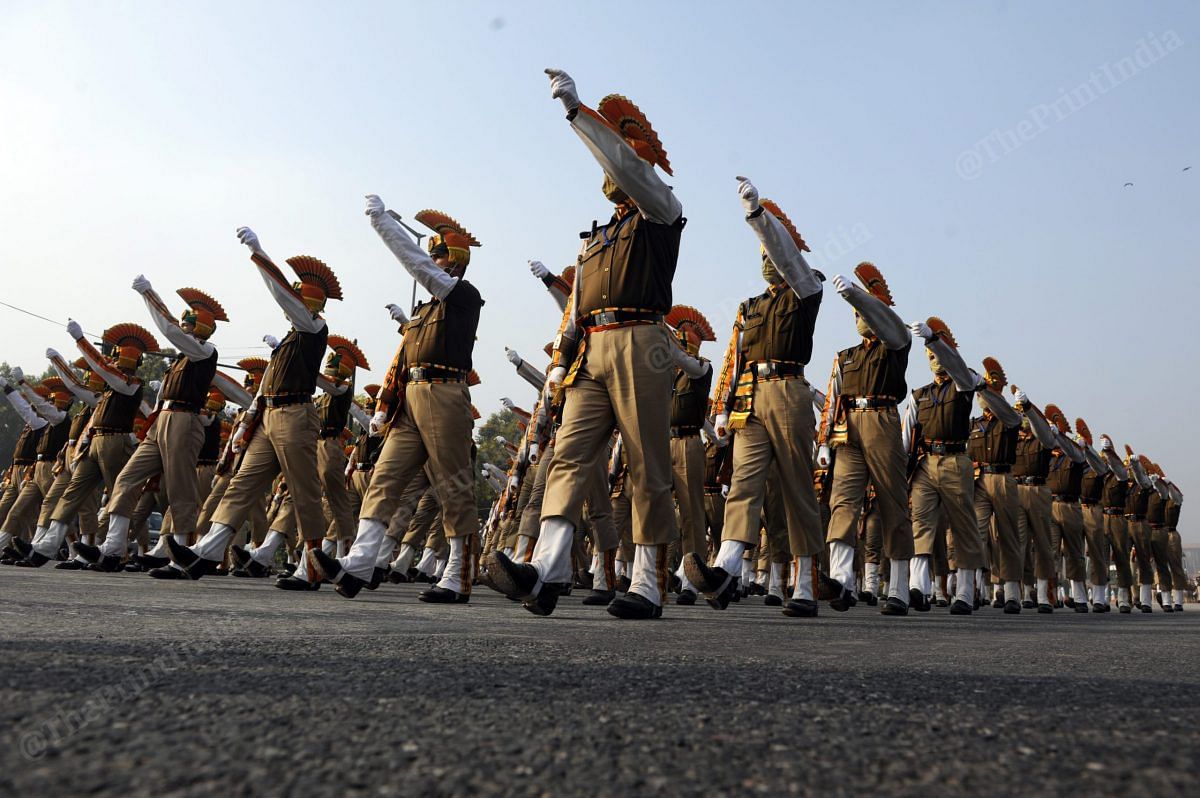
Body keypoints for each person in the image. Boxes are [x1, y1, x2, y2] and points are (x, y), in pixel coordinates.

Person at [486, 69, 687, 620]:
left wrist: (578, 115)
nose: (609, 169)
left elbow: (625, 165)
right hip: (590, 353)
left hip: (642, 341)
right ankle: (546, 571)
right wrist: (557, 360)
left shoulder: (660, 210)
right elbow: (575, 311)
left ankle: (647, 581)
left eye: (618, 158)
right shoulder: (594, 241)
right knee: (567, 459)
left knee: (647, 465)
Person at [311, 200, 483, 604]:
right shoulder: (423, 313)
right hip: (411, 400)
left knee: (453, 485)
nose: (431, 262)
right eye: (432, 256)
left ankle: (457, 574)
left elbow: (415, 264)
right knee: (384, 478)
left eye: (438, 257)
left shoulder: (465, 297)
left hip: (444, 394)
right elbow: (401, 360)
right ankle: (360, 561)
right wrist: (386, 405)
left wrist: (383, 224)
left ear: (453, 264)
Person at [161, 229, 335, 581]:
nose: (292, 304)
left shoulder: (315, 329)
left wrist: (260, 253)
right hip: (269, 416)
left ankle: (311, 567)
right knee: (242, 484)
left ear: (308, 306)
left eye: (299, 300)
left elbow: (285, 297)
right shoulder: (290, 340)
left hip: (295, 415)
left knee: (303, 492)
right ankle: (206, 553)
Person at [687, 182, 824, 618]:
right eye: (761, 255)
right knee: (743, 484)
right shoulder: (750, 307)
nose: (767, 261)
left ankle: (804, 583)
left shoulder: (807, 289)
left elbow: (787, 256)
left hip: (788, 391)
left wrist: (758, 217)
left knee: (797, 489)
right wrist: (723, 407)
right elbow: (733, 358)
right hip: (750, 397)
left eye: (771, 253)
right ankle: (726, 568)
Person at [76, 282, 224, 569]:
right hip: (162, 422)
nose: (183, 329)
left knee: (181, 488)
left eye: (188, 325)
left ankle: (181, 553)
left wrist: (148, 295)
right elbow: (161, 398)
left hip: (184, 421)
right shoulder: (182, 359)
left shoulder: (205, 352)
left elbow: (168, 329)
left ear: (201, 330)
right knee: (127, 478)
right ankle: (113, 548)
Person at [816, 263, 914, 615]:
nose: (860, 317)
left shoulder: (896, 342)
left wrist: (859, 295)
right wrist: (824, 441)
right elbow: (832, 399)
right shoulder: (846, 357)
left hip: (882, 420)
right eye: (856, 313)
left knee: (892, 504)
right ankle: (841, 581)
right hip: (848, 429)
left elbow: (891, 327)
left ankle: (900, 587)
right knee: (843, 502)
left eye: (865, 311)